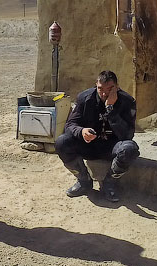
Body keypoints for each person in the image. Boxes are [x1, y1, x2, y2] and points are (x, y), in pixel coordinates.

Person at [54, 70, 139, 202]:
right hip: (88, 145)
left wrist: (111, 109)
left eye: (109, 89)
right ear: (96, 85)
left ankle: (109, 183)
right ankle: (83, 181)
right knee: (61, 142)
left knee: (130, 149)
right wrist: (81, 131)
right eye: (100, 89)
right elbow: (70, 125)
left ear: (117, 87)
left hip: (112, 147)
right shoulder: (85, 98)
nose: (104, 94)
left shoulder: (127, 101)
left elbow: (127, 135)